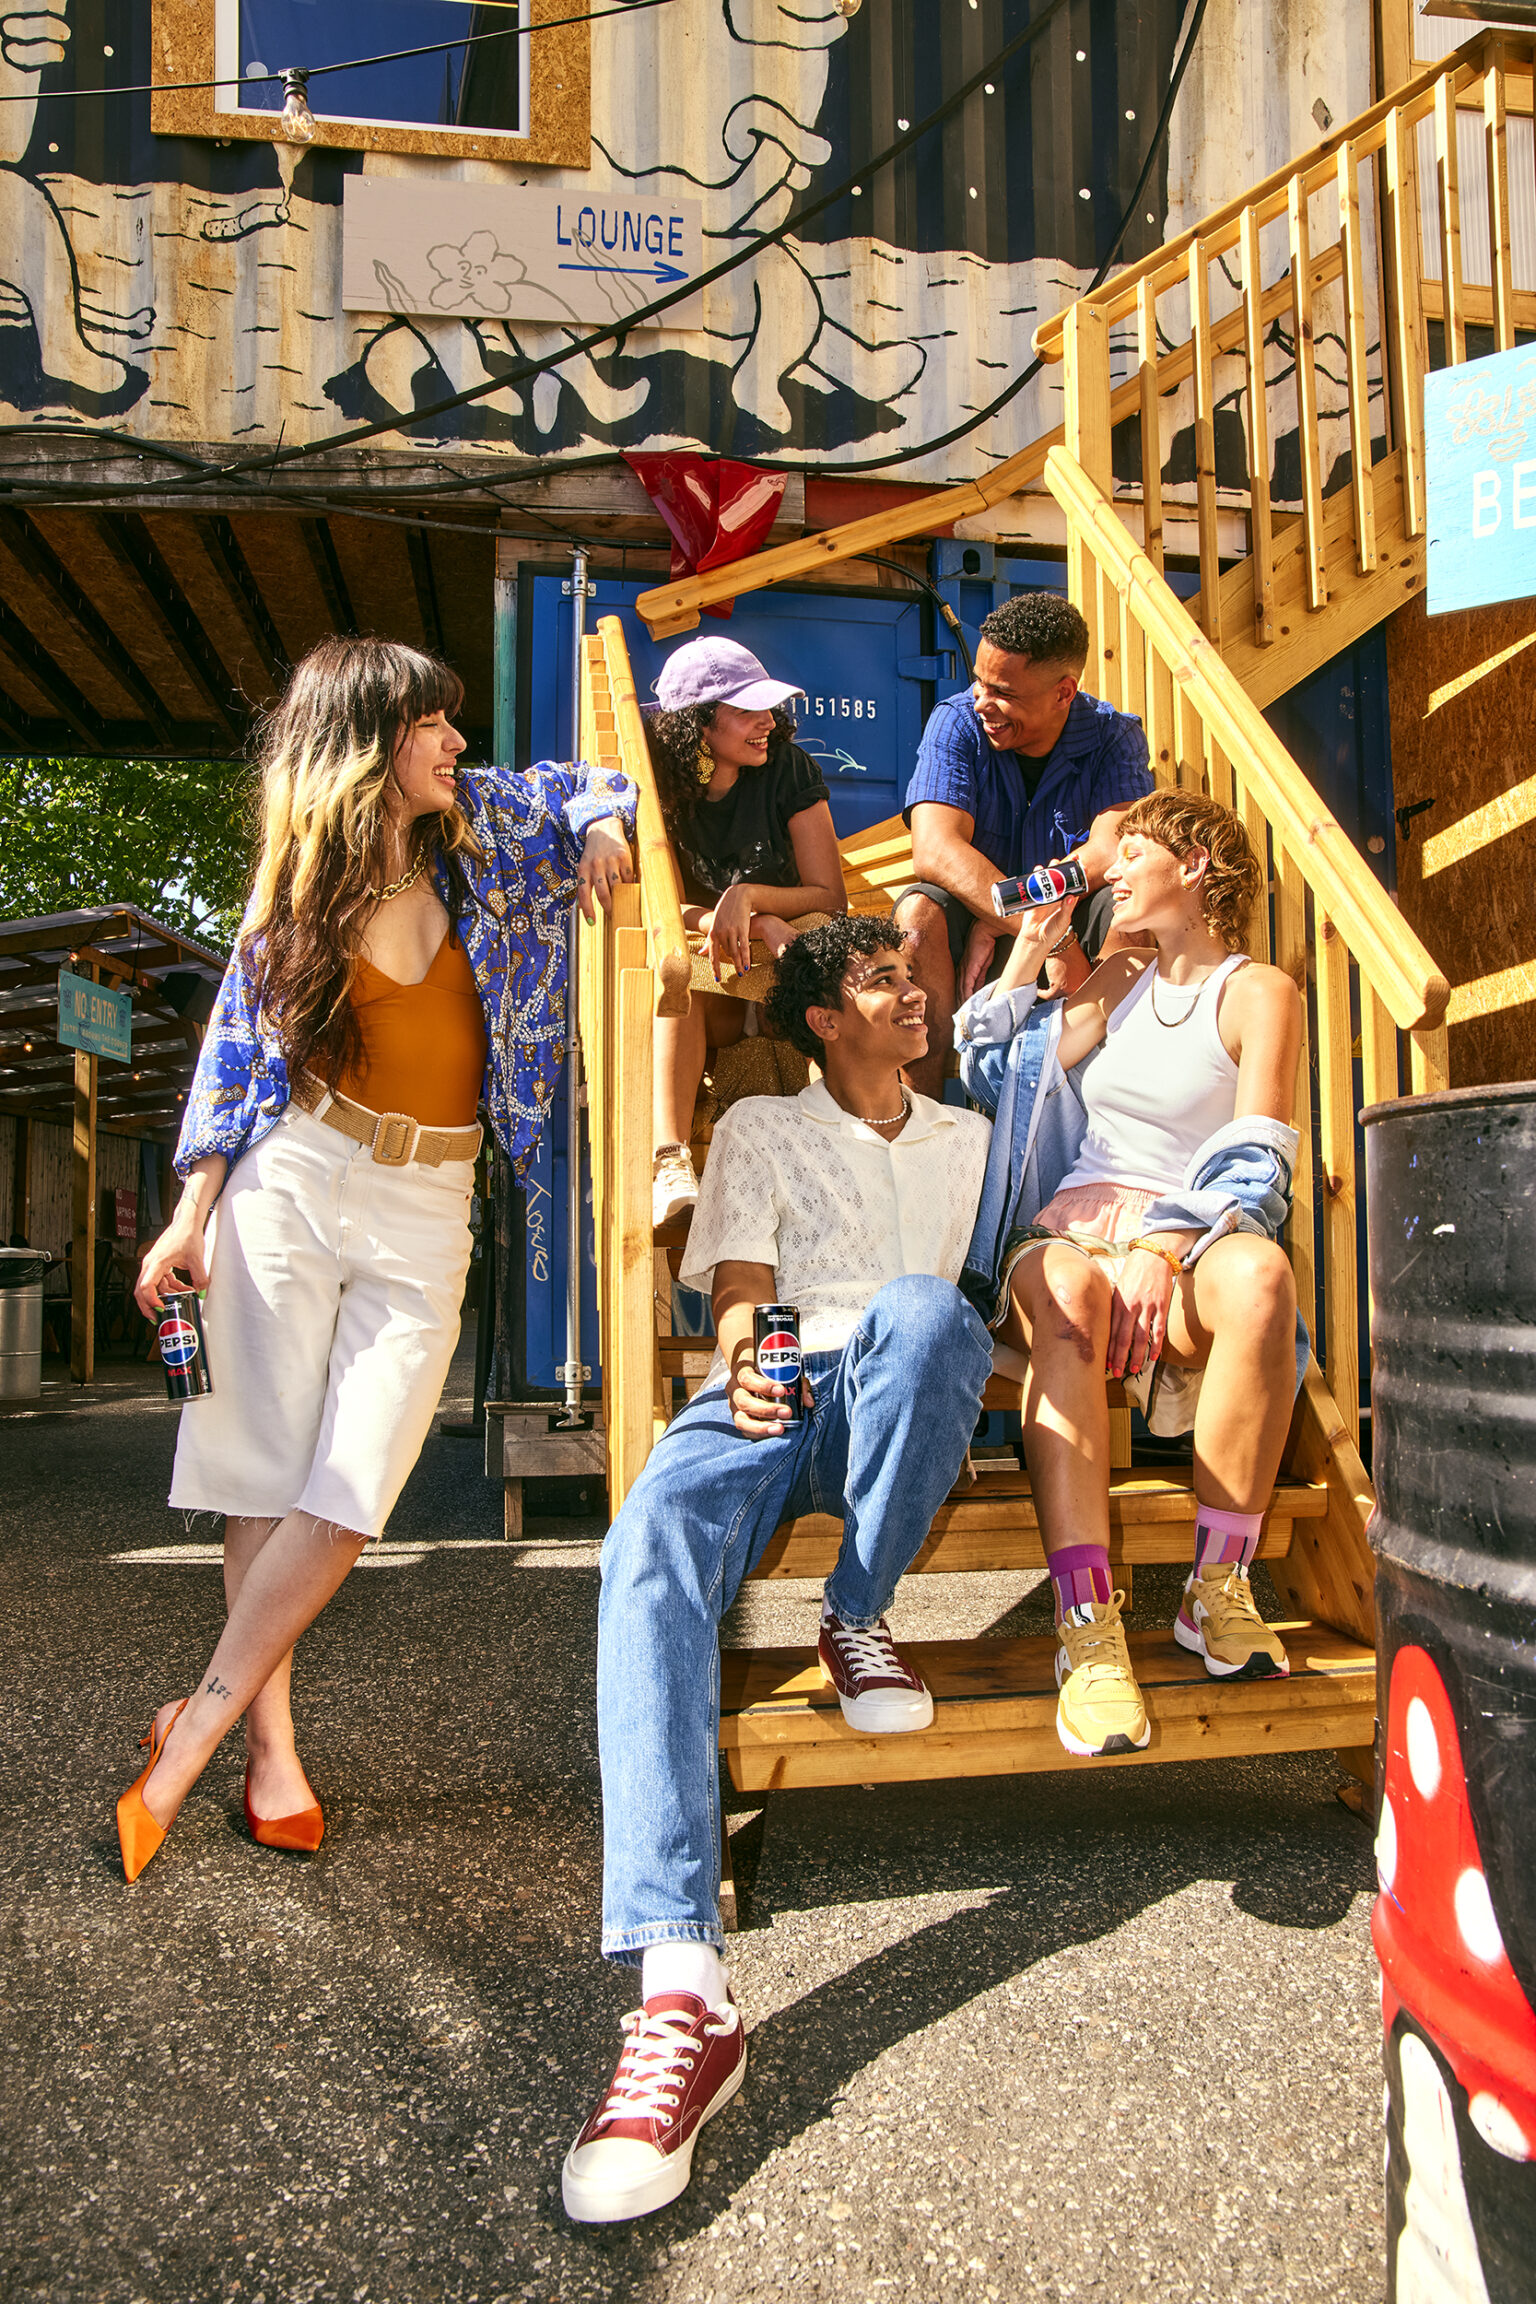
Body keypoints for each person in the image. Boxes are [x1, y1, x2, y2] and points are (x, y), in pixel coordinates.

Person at [120, 637, 637, 1884]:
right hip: (291, 1179)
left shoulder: (487, 830)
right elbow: (238, 1057)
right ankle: (268, 1757)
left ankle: (188, 1730)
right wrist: (189, 1216)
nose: (458, 743)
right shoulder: (296, 888)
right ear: (368, 740)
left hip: (430, 1196)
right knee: (262, 1471)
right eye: (433, 725)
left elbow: (595, 777)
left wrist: (608, 822)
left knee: (355, 1485)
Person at [563, 914, 994, 2225]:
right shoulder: (759, 1127)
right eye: (879, 981)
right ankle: (681, 1990)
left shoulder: (972, 1140)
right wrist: (749, 1388)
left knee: (930, 1311)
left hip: (896, 1390)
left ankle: (854, 1613)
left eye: (912, 975)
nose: (910, 992)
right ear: (822, 1019)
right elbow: (743, 1292)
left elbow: (977, 1305)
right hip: (775, 1375)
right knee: (649, 1537)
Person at [955, 790, 1308, 1760]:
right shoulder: (1116, 977)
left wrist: (1163, 1244)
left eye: (1134, 847)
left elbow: (1259, 1156)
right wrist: (1032, 950)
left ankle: (1216, 1589)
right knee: (1067, 1300)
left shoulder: (1258, 992)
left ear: (1195, 865)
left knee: (1264, 1282)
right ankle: (1088, 1631)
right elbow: (993, 1071)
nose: (1112, 866)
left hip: (1188, 1236)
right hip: (1075, 1225)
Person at [893, 591, 1154, 1099]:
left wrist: (1010, 914)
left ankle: (1113, 1110)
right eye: (979, 681)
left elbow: (1108, 853)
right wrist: (1052, 938)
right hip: (1022, 933)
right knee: (919, 916)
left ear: (1063, 693)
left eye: (1003, 692)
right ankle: (917, 1117)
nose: (982, 702)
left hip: (1049, 921)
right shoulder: (956, 720)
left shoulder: (1115, 737)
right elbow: (935, 850)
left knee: (1134, 913)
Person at [645, 637, 848, 1229]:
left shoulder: (787, 767)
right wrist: (734, 919)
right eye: (745, 711)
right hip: (716, 976)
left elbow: (829, 896)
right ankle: (670, 1160)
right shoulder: (654, 785)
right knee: (677, 975)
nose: (767, 723)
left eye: (767, 707)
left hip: (783, 968)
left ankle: (854, 1137)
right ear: (698, 726)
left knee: (818, 940)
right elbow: (658, 907)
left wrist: (750, 898)